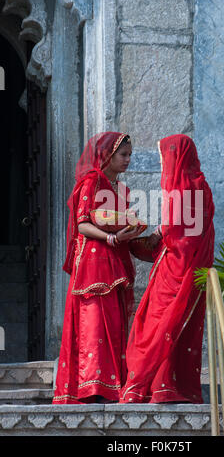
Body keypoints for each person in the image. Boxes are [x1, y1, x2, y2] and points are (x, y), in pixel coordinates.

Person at [120, 134, 215, 404]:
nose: (163, 164)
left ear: (175, 156)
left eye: (164, 157)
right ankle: (170, 387)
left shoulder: (183, 186)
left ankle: (143, 386)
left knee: (155, 325)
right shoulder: (202, 185)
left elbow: (176, 229)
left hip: (174, 267)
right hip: (192, 267)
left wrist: (156, 236)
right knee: (178, 326)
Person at [53, 132, 143, 404]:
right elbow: (81, 224)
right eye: (123, 155)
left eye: (129, 155)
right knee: (93, 321)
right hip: (92, 262)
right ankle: (91, 387)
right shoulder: (91, 181)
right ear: (108, 155)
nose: (128, 160)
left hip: (114, 261)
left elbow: (121, 225)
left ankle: (110, 386)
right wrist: (111, 237)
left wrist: (136, 235)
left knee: (113, 322)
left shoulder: (121, 189)